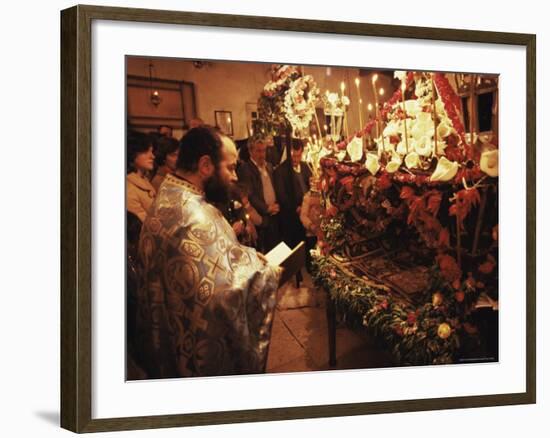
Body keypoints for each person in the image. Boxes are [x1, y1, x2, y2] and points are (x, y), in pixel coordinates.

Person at [135, 126, 281, 378]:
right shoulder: (192, 215)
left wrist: (242, 256)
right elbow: (219, 295)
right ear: (205, 165)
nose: (235, 176)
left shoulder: (171, 196)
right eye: (231, 167)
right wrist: (265, 273)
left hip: (167, 343)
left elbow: (207, 264)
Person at [237, 136, 281, 252]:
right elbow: (250, 195)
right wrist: (267, 208)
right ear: (251, 151)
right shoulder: (245, 169)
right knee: (265, 251)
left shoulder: (269, 166)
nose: (262, 154)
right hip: (261, 218)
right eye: (258, 151)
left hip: (274, 214)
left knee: (276, 249)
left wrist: (277, 204)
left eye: (264, 150)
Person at [274, 138, 312, 249]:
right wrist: (296, 208)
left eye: (298, 156)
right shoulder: (280, 171)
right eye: (293, 156)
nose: (295, 159)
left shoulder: (305, 166)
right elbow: (282, 196)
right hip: (293, 217)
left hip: (308, 213)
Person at [127, 131, 156, 222]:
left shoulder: (143, 179)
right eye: (145, 151)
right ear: (133, 154)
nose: (152, 156)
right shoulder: (129, 189)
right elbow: (142, 224)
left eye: (151, 151)